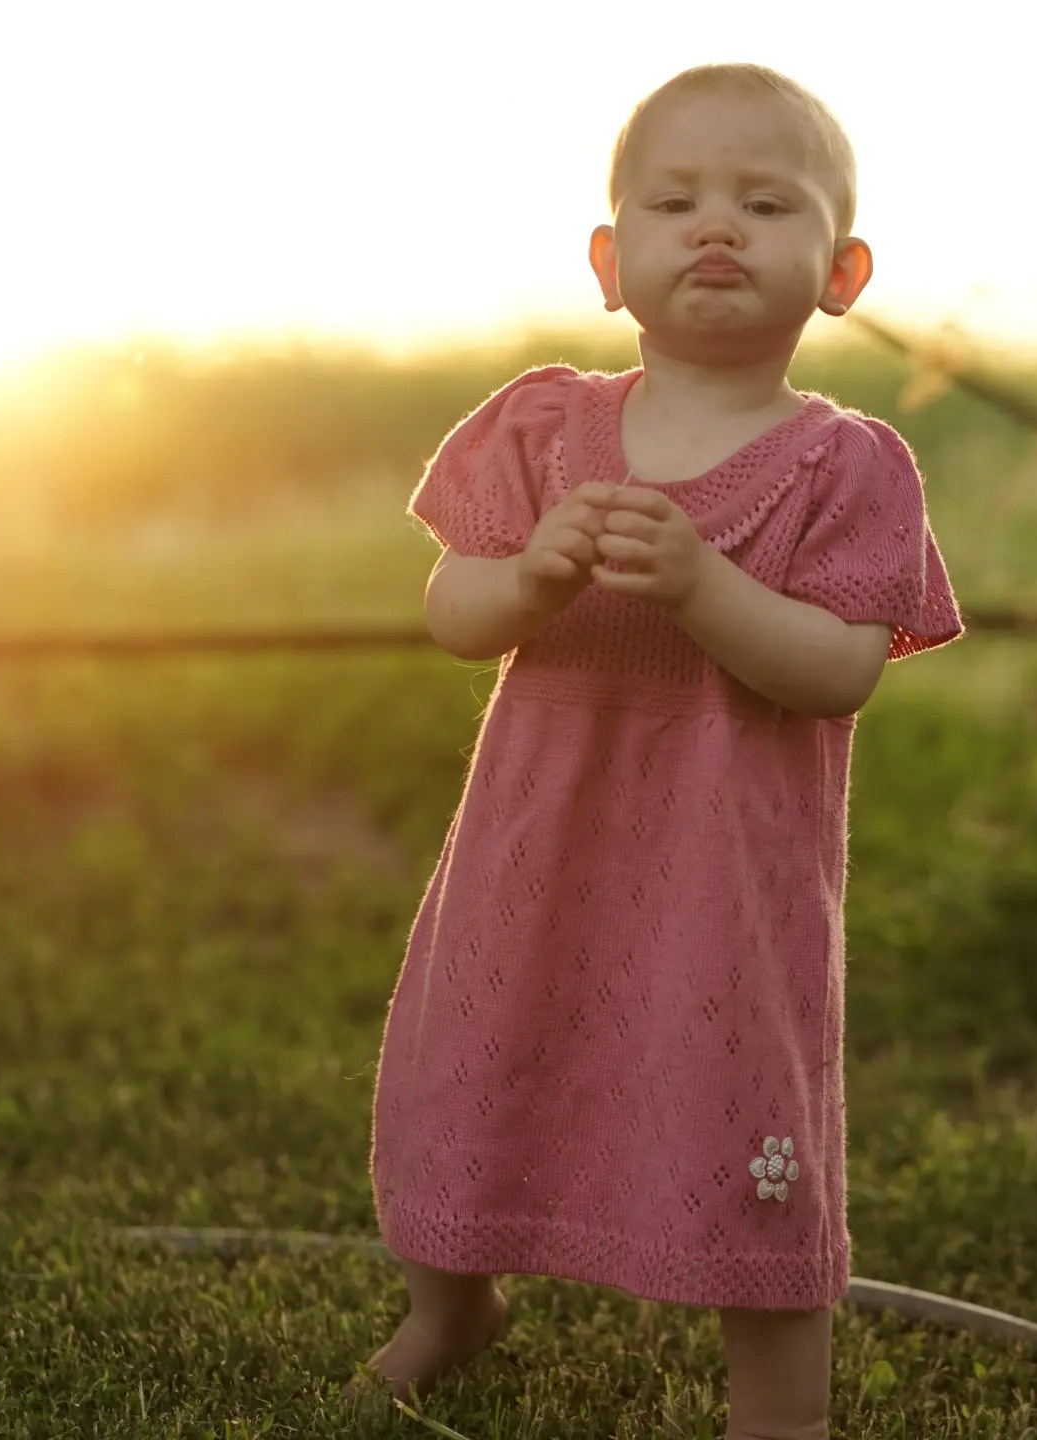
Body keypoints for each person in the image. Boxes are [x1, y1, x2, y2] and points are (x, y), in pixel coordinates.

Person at [352, 61, 963, 1440]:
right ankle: (453, 1307)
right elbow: (453, 613)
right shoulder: (543, 427)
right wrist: (527, 582)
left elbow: (842, 671)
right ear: (610, 259)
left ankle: (779, 1404)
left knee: (749, 1103)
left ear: (844, 269)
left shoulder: (847, 467)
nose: (717, 228)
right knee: (478, 1056)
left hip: (726, 880)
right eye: (675, 201)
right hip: (535, 846)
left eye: (765, 201)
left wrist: (703, 589)